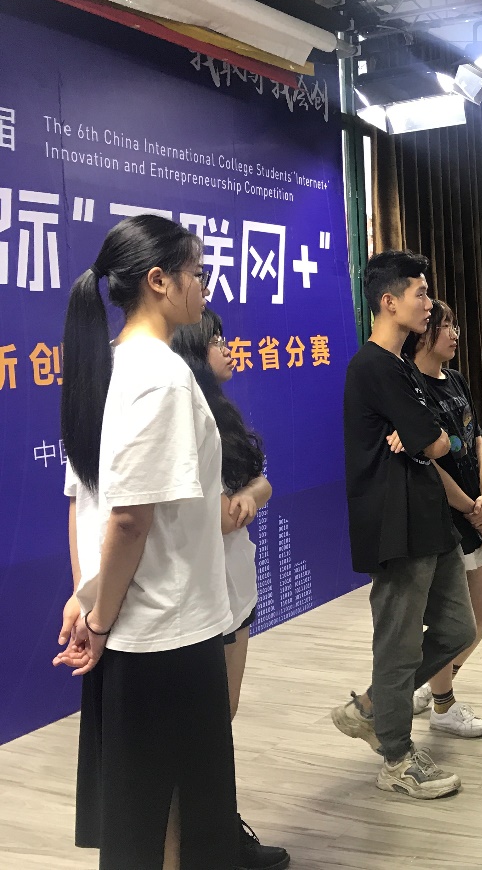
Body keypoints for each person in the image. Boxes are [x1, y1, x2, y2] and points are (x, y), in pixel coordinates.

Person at [55, 214, 238, 869]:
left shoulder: (115, 366)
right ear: (158, 281)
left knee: (153, 809)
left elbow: (89, 503)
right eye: (198, 274)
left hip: (144, 623)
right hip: (164, 629)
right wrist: (100, 618)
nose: (204, 288)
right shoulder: (157, 375)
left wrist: (87, 599)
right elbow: (129, 519)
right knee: (167, 811)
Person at [329, 250, 477, 800]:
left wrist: (431, 438)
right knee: (397, 646)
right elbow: (433, 442)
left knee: (458, 630)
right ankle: (396, 758)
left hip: (430, 518)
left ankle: (373, 706)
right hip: (395, 525)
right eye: (420, 293)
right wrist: (430, 438)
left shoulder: (401, 368)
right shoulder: (371, 366)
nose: (429, 303)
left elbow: (440, 439)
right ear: (388, 301)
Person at [171, 309, 289, 870]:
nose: (228, 347)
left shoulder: (222, 412)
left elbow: (259, 483)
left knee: (224, 715)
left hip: (234, 584)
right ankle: (208, 837)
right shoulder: (181, 414)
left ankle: (218, 829)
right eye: (216, 339)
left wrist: (251, 495)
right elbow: (218, 514)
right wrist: (244, 499)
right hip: (199, 593)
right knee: (205, 725)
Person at [387, 301, 482, 739]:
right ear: (422, 333)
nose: (454, 333)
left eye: (455, 324)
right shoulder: (411, 388)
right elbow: (428, 464)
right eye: (445, 325)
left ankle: (434, 683)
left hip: (477, 506)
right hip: (445, 517)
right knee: (451, 621)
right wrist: (472, 511)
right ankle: (442, 703)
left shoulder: (456, 380)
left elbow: (476, 440)